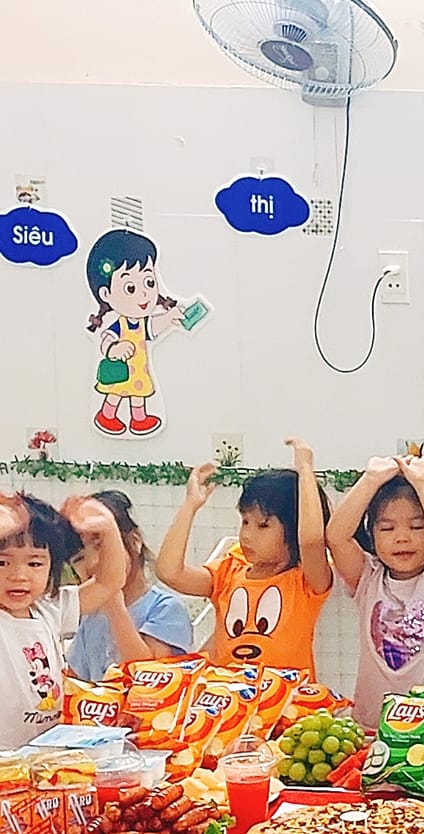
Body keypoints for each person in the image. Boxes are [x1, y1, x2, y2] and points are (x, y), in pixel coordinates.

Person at [156, 439, 332, 675]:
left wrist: (305, 470)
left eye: (263, 525)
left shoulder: (305, 582)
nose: (247, 534)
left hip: (285, 697)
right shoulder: (227, 573)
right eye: (245, 522)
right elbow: (169, 572)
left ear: (294, 529)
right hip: (227, 694)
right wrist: (190, 506)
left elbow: (311, 540)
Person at [329, 456, 424, 725]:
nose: (402, 537)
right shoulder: (368, 577)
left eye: (417, 526)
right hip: (374, 724)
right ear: (372, 535)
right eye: (387, 528)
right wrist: (370, 479)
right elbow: (336, 537)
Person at [0, 493, 127, 747]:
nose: (19, 575)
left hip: (47, 754)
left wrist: (109, 529)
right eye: (2, 562)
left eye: (35, 563)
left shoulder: (49, 609)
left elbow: (109, 582)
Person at [66, 490, 193, 681]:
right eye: (79, 558)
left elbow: (149, 676)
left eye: (100, 546)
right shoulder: (90, 618)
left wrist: (115, 607)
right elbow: (75, 681)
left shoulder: (165, 609)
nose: (91, 563)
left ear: (134, 542)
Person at [85, 229, 187, 437]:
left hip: (138, 370)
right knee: (116, 392)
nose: (144, 294)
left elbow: (152, 328)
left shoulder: (141, 323)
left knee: (139, 392)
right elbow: (107, 339)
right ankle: (107, 415)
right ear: (106, 294)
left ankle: (139, 419)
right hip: (122, 369)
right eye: (130, 288)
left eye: (149, 282)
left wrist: (169, 318)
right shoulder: (119, 323)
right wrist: (114, 349)